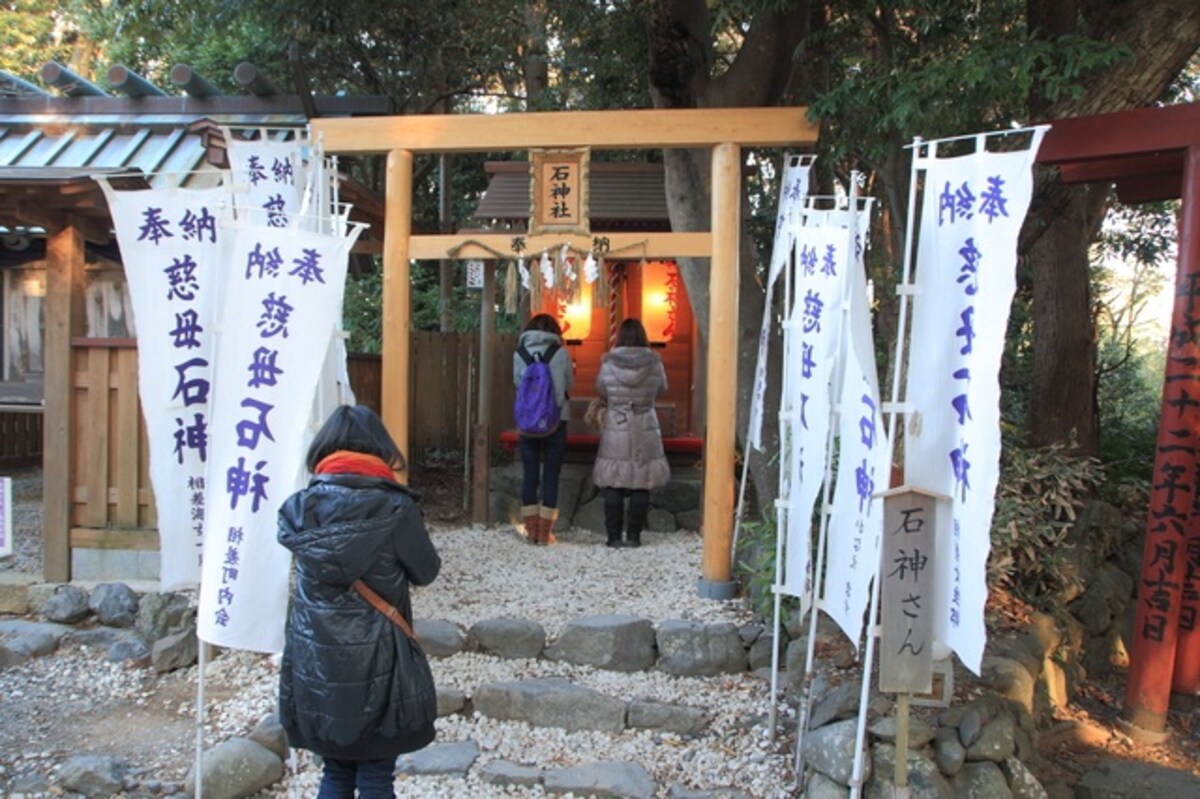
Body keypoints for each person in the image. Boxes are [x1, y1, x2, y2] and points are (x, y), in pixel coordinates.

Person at [277, 404, 440, 799]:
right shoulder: (396, 507)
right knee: (376, 775)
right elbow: (426, 571)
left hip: (317, 660)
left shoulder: (300, 508)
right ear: (380, 450)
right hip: (382, 658)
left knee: (334, 772)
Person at [592, 318, 670, 548]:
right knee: (641, 480)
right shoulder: (654, 363)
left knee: (613, 480)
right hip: (645, 422)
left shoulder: (609, 363)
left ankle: (613, 536)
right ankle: (634, 535)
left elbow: (601, 389)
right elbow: (662, 389)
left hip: (617, 422)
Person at [513, 312, 573, 544]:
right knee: (551, 475)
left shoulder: (520, 353)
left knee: (529, 474)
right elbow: (568, 383)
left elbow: (517, 383)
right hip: (556, 421)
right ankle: (544, 532)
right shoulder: (560, 353)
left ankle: (531, 530)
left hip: (527, 423)